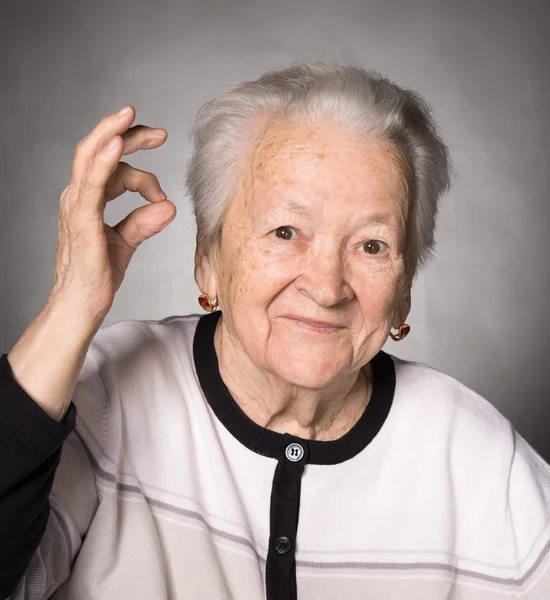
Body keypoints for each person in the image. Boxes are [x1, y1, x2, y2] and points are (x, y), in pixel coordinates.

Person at [1, 61, 549, 600]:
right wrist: (72, 306)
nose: (327, 286)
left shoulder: (480, 461)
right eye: (285, 231)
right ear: (208, 257)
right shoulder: (102, 397)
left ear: (404, 288)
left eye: (372, 245)